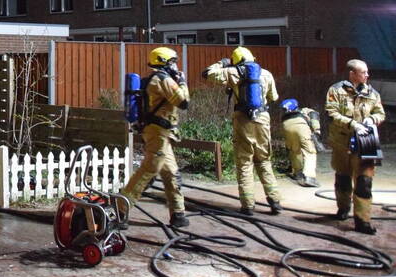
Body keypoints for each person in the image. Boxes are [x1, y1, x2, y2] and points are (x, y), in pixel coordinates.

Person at [202, 46, 282, 216]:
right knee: (264, 160)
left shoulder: (232, 72)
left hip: (243, 120)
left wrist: (222, 63)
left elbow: (207, 73)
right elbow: (273, 97)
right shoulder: (266, 74)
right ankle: (275, 201)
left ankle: (248, 206)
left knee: (245, 163)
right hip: (262, 119)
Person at [120, 46, 191, 228]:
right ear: (163, 62)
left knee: (171, 173)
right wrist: (182, 81)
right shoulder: (162, 79)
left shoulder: (157, 78)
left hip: (161, 133)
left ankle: (178, 214)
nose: (175, 66)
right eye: (173, 62)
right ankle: (119, 210)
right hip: (158, 132)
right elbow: (183, 102)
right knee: (148, 170)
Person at [325, 58, 385, 235]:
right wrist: (352, 124)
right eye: (363, 72)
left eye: (367, 72)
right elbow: (331, 112)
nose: (367, 75)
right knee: (343, 178)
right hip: (342, 143)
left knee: (364, 182)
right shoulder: (336, 90)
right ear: (352, 74)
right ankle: (343, 208)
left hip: (365, 142)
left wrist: (372, 119)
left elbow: (380, 112)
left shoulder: (372, 93)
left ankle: (362, 220)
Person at [279, 98, 322, 188]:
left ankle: (298, 173)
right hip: (301, 125)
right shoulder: (304, 110)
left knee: (294, 151)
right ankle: (309, 177)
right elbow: (314, 116)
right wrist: (317, 131)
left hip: (286, 126)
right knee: (310, 152)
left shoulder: (284, 116)